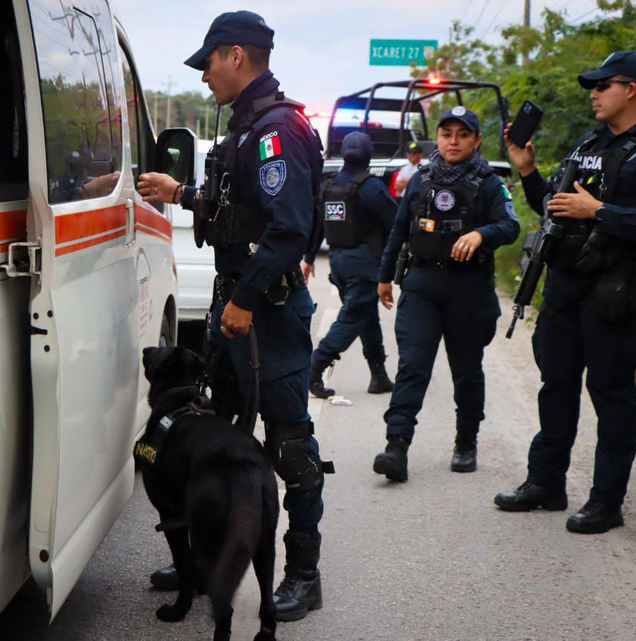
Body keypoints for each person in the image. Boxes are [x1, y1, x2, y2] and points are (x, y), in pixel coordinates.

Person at [137, 11, 328, 622]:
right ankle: (204, 561)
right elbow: (234, 210)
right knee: (217, 439)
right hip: (236, 303)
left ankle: (302, 572)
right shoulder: (245, 130)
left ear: (238, 56)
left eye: (210, 64)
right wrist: (180, 193)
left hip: (264, 310)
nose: (205, 78)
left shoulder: (278, 130)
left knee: (289, 444)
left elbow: (288, 229)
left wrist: (243, 302)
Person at [495, 52, 636, 533]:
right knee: (555, 387)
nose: (594, 93)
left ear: (633, 90)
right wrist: (528, 171)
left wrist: (598, 211)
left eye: (603, 85)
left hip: (614, 291)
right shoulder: (588, 143)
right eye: (593, 85)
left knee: (611, 396)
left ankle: (606, 501)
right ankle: (546, 483)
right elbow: (556, 210)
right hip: (565, 287)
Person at [373, 106, 520, 481]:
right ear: (436, 138)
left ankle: (466, 442)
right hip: (422, 285)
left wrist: (481, 233)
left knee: (467, 373)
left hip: (468, 290)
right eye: (446, 134)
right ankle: (396, 447)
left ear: (476, 140)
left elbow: (510, 225)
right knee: (413, 367)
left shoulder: (488, 183)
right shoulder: (421, 180)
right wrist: (385, 276)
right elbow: (398, 232)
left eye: (462, 135)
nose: (453, 141)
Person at [304, 131, 397, 398]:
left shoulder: (331, 185)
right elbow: (396, 225)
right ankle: (316, 366)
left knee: (366, 315)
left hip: (339, 263)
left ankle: (378, 375)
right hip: (363, 264)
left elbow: (319, 224)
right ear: (369, 155)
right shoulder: (371, 187)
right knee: (355, 316)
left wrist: (310, 259)